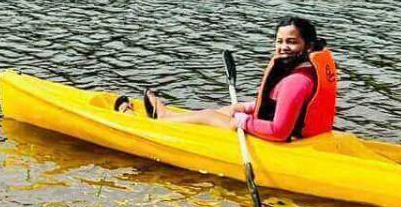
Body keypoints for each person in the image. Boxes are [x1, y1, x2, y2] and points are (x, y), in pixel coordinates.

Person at [115, 16, 339, 141]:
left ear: (307, 45)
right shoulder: (304, 70)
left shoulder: (296, 81)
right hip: (302, 138)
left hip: (284, 143)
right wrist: (248, 107)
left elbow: (279, 131)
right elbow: (292, 107)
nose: (283, 47)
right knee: (229, 110)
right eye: (279, 41)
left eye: (291, 42)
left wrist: (244, 121)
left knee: (210, 116)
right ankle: (166, 115)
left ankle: (152, 122)